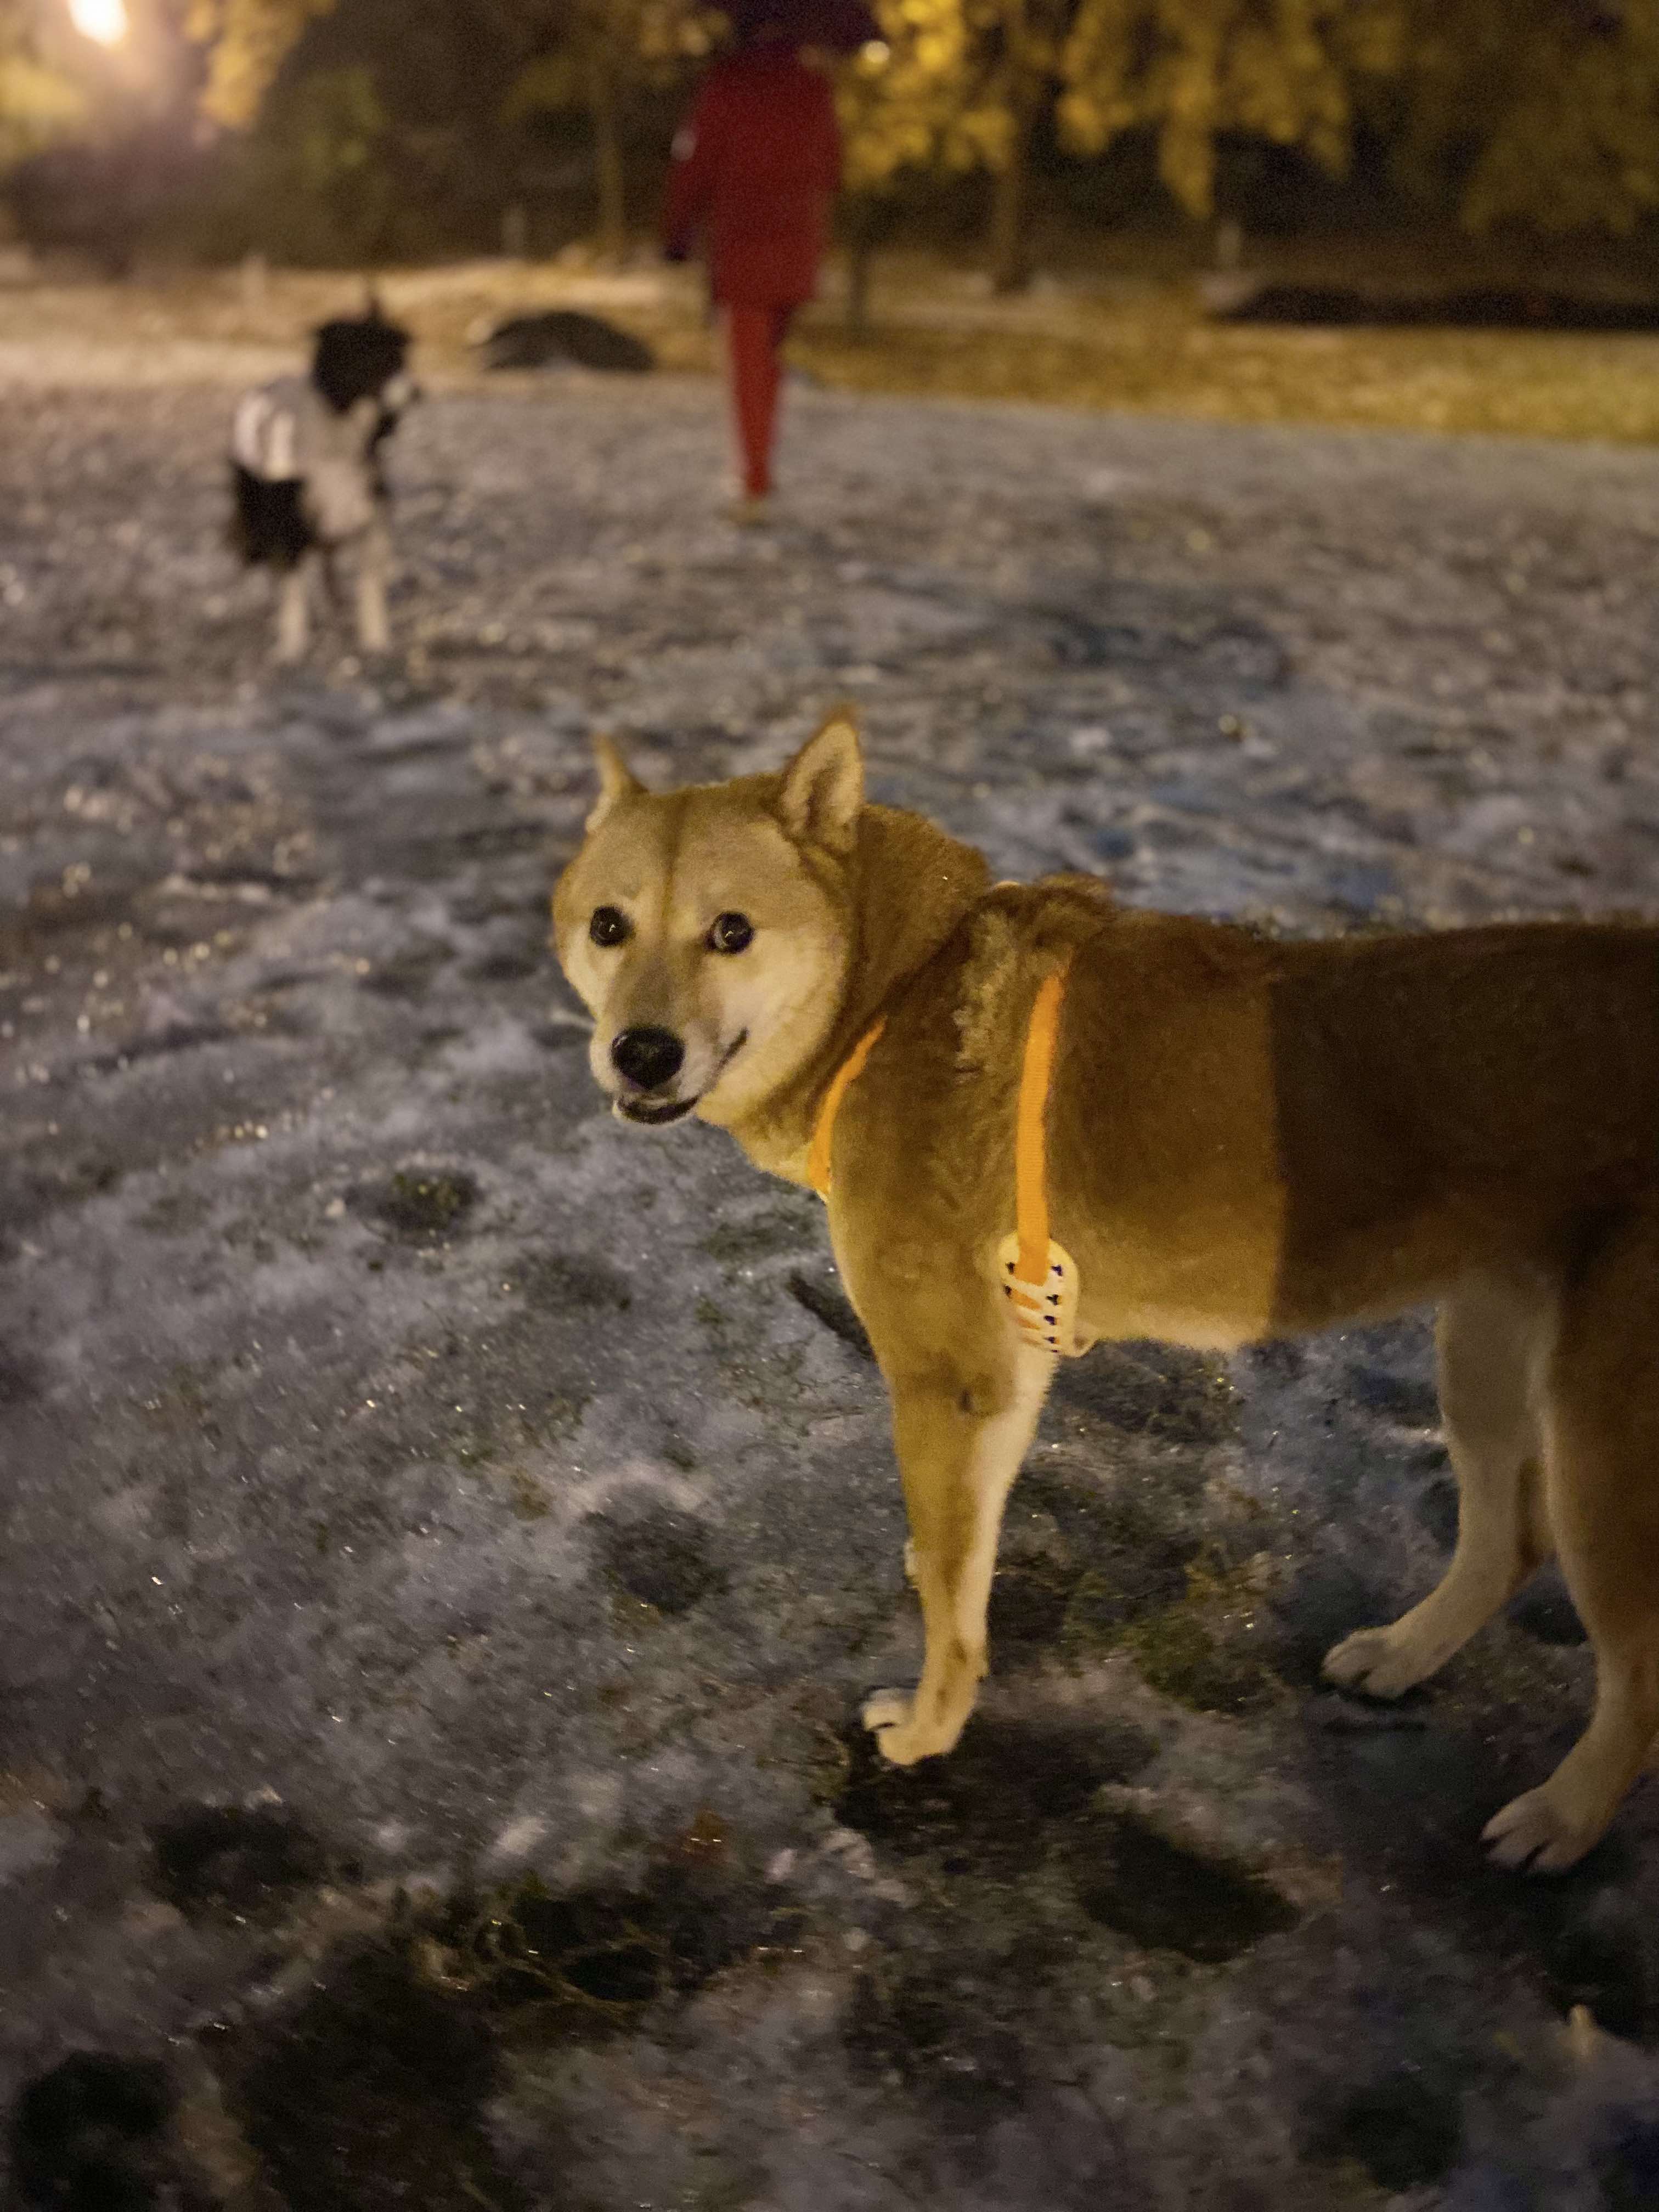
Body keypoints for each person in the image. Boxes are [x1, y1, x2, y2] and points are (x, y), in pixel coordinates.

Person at [662, 8, 842, 523]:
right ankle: (761, 465)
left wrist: (678, 228)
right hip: (796, 241)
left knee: (747, 359)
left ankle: (755, 475)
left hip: (742, 239)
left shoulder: (727, 84)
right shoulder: (814, 87)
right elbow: (833, 166)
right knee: (770, 356)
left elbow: (694, 163)